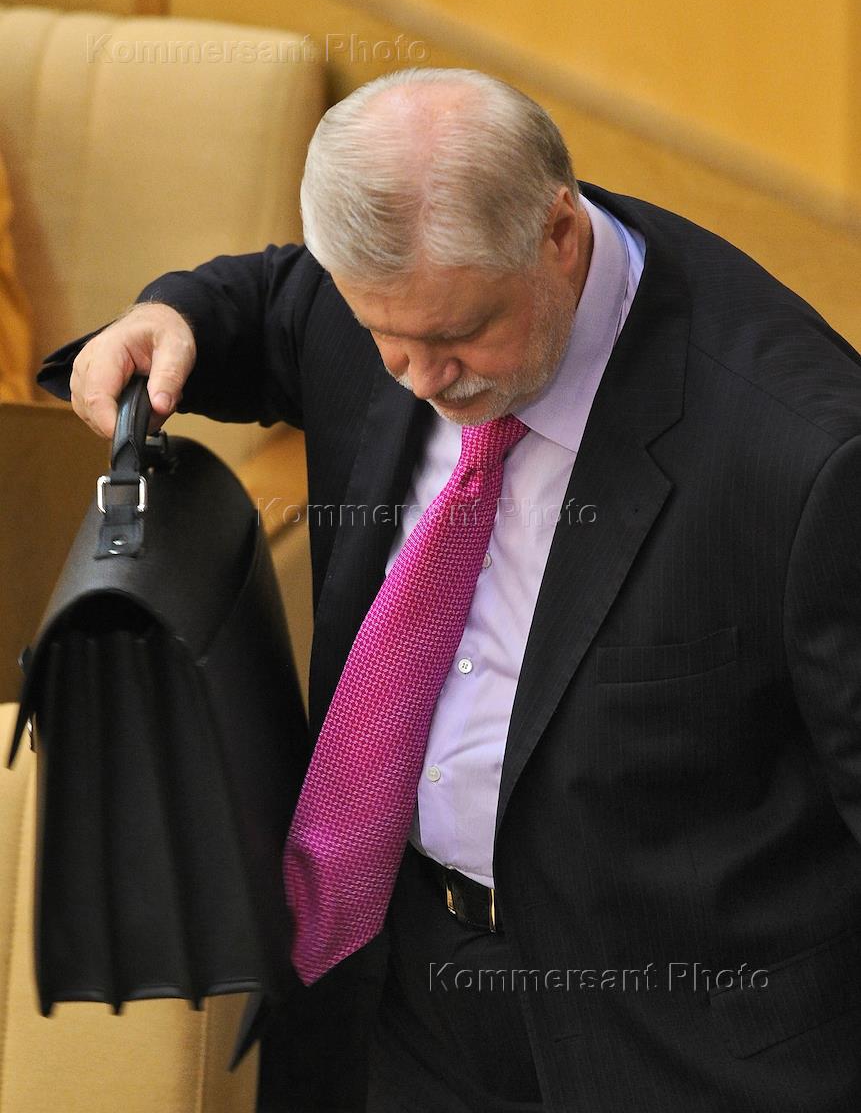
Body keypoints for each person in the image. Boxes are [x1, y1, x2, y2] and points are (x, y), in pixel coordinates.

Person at [42, 68, 861, 1112]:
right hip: (398, 998)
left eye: (455, 336)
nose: (419, 378)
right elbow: (277, 298)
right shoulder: (392, 306)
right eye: (384, 336)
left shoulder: (805, 458)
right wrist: (175, 315)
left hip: (674, 1043)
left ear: (557, 234)